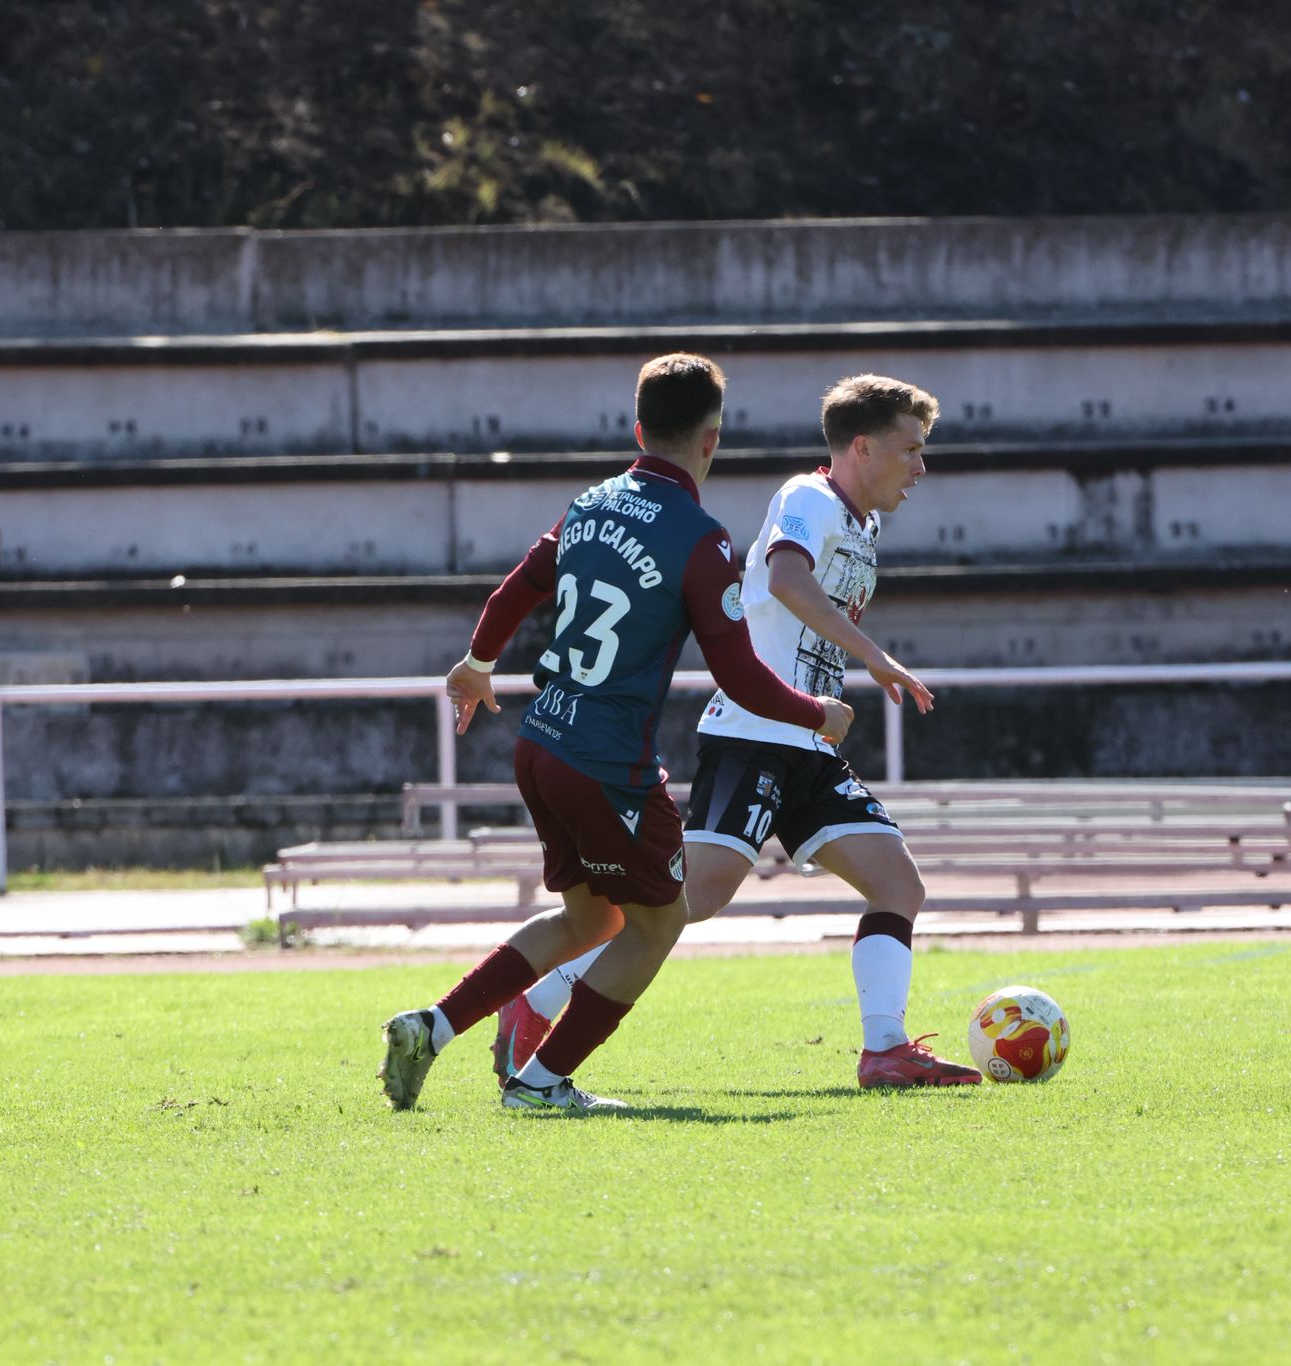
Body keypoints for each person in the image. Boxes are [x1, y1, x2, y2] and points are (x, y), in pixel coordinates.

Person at [378, 353, 854, 1113]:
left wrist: (476, 666)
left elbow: (515, 590)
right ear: (711, 439)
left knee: (589, 916)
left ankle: (431, 1027)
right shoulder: (703, 540)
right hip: (606, 761)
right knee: (659, 921)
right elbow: (739, 677)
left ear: (637, 429)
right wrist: (817, 713)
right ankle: (541, 1083)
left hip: (539, 742)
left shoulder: (589, 505)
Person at [493, 374, 983, 1089]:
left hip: (807, 746)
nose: (920, 467)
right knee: (685, 903)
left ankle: (884, 1050)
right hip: (756, 732)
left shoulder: (862, 522)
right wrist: (876, 660)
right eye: (911, 449)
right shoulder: (809, 498)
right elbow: (786, 578)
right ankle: (534, 1002)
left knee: (897, 885)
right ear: (862, 447)